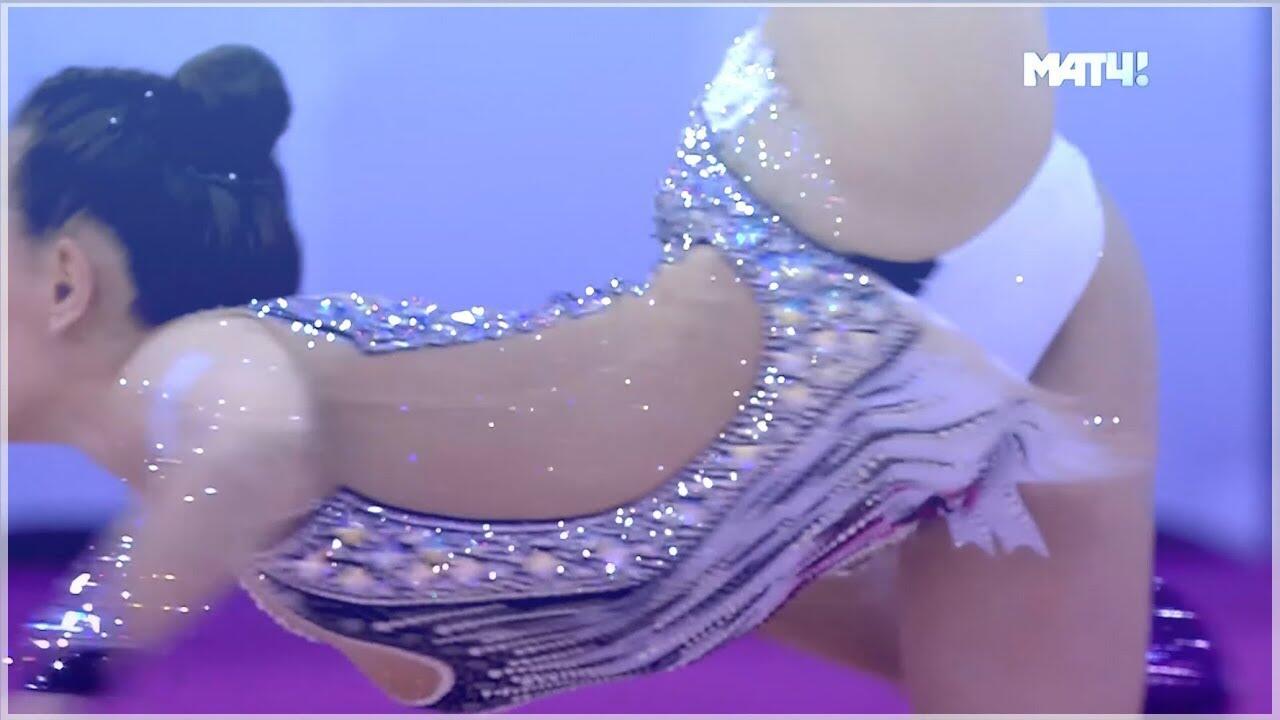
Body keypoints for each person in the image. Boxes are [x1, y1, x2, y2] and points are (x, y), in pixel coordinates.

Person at [7, 7, 1204, 714]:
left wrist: (61, 666)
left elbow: (251, 441)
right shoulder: (305, 572)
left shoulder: (203, 369)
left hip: (847, 207)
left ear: (67, 281)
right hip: (980, 393)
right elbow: (733, 572)